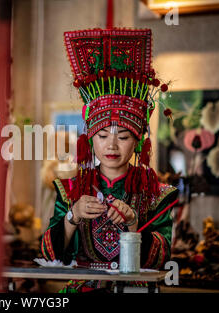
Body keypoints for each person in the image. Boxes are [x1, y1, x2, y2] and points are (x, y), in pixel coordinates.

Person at [40, 28, 178, 292]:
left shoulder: (156, 194)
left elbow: (163, 258)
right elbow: (48, 254)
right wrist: (72, 216)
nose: (112, 145)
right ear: (90, 139)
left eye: (123, 136)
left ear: (138, 141)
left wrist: (134, 225)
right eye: (102, 135)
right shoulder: (70, 191)